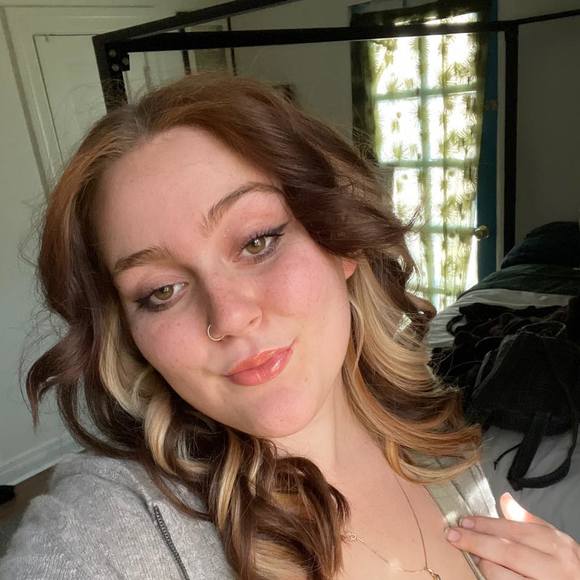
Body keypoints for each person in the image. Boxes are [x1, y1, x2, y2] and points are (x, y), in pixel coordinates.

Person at [1, 73, 578, 580]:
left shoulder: (433, 439)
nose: (229, 317)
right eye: (161, 291)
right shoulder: (117, 523)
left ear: (341, 239)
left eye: (257, 242)